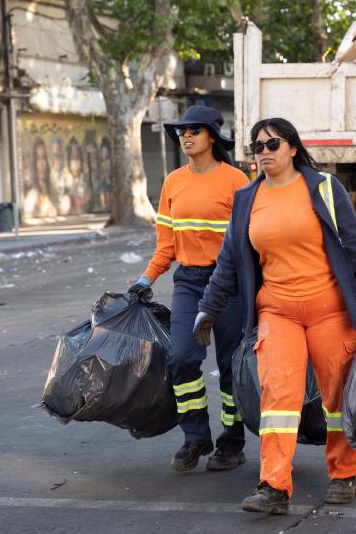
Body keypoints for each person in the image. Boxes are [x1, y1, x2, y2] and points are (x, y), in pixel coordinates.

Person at [192, 117, 356, 514]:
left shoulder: (323, 188)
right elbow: (229, 261)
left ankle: (344, 473)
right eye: (257, 147)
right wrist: (209, 307)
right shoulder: (247, 199)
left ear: (292, 147)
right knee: (277, 400)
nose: (264, 152)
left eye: (272, 144)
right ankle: (273, 486)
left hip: (331, 310)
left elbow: (354, 244)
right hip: (277, 310)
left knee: (336, 396)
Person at [128, 106, 251, 472]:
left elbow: (250, 241)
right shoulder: (173, 181)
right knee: (181, 358)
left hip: (229, 283)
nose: (186, 136)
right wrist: (145, 279)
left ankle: (232, 442)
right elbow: (166, 244)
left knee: (231, 366)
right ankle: (195, 437)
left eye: (194, 130)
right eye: (182, 131)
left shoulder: (236, 181)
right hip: (190, 281)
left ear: (212, 136)